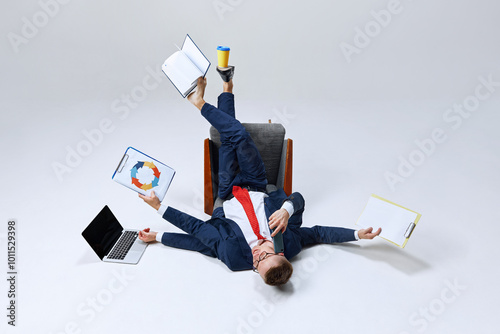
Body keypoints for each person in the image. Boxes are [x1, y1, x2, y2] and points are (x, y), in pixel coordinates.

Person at [138, 66, 381, 286]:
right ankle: (203, 100)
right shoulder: (289, 240)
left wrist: (158, 225)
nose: (256, 256)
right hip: (257, 184)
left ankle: (223, 89)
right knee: (240, 136)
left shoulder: (235, 257)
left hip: (228, 189)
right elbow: (316, 230)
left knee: (230, 137)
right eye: (264, 255)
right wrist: (354, 234)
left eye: (257, 264)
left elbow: (200, 237)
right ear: (280, 253)